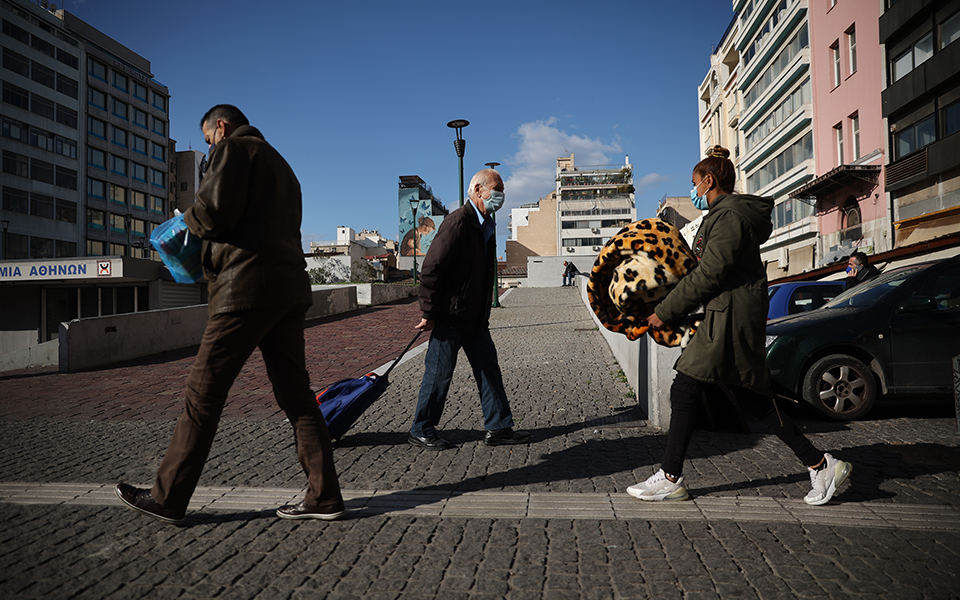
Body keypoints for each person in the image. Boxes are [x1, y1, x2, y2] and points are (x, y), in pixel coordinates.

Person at [116, 105, 345, 523]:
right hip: (289, 292)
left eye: (207, 140)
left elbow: (213, 213)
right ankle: (324, 495)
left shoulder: (233, 151)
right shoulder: (283, 166)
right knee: (297, 396)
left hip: (244, 290)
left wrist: (183, 221)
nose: (208, 149)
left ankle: (167, 497)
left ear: (220, 127)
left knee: (202, 395)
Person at [631, 145, 853, 506]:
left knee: (685, 390)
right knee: (755, 402)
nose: (693, 192)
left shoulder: (729, 216)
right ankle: (821, 464)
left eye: (694, 183)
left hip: (729, 318)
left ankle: (671, 477)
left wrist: (666, 310)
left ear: (709, 180)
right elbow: (714, 272)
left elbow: (711, 272)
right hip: (727, 314)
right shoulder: (725, 215)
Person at [409, 168, 531, 450]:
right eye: (496, 190)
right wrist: (428, 312)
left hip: (475, 319)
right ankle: (421, 428)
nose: (500, 196)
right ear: (478, 190)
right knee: (438, 375)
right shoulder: (458, 222)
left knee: (489, 370)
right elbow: (431, 268)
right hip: (451, 317)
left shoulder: (485, 224)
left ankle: (499, 427)